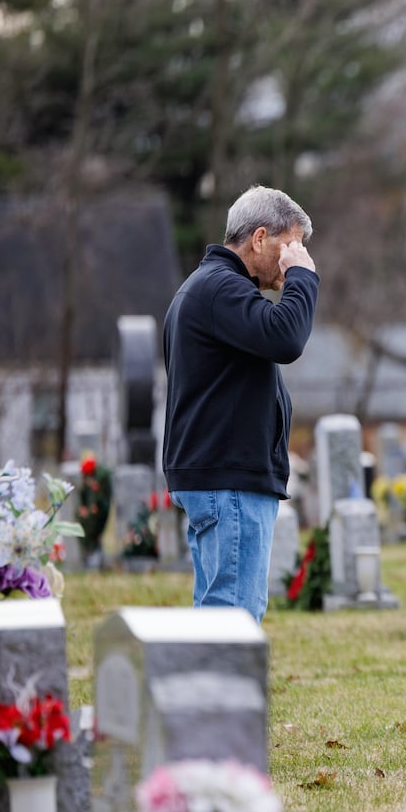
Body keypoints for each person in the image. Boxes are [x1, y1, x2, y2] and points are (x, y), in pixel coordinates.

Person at [162, 186, 318, 622]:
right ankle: (219, 694)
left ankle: (210, 692)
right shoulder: (220, 289)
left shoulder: (211, 287)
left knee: (220, 614)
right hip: (228, 479)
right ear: (260, 238)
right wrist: (303, 277)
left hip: (220, 474)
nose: (296, 258)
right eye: (291, 247)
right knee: (233, 619)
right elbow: (286, 337)